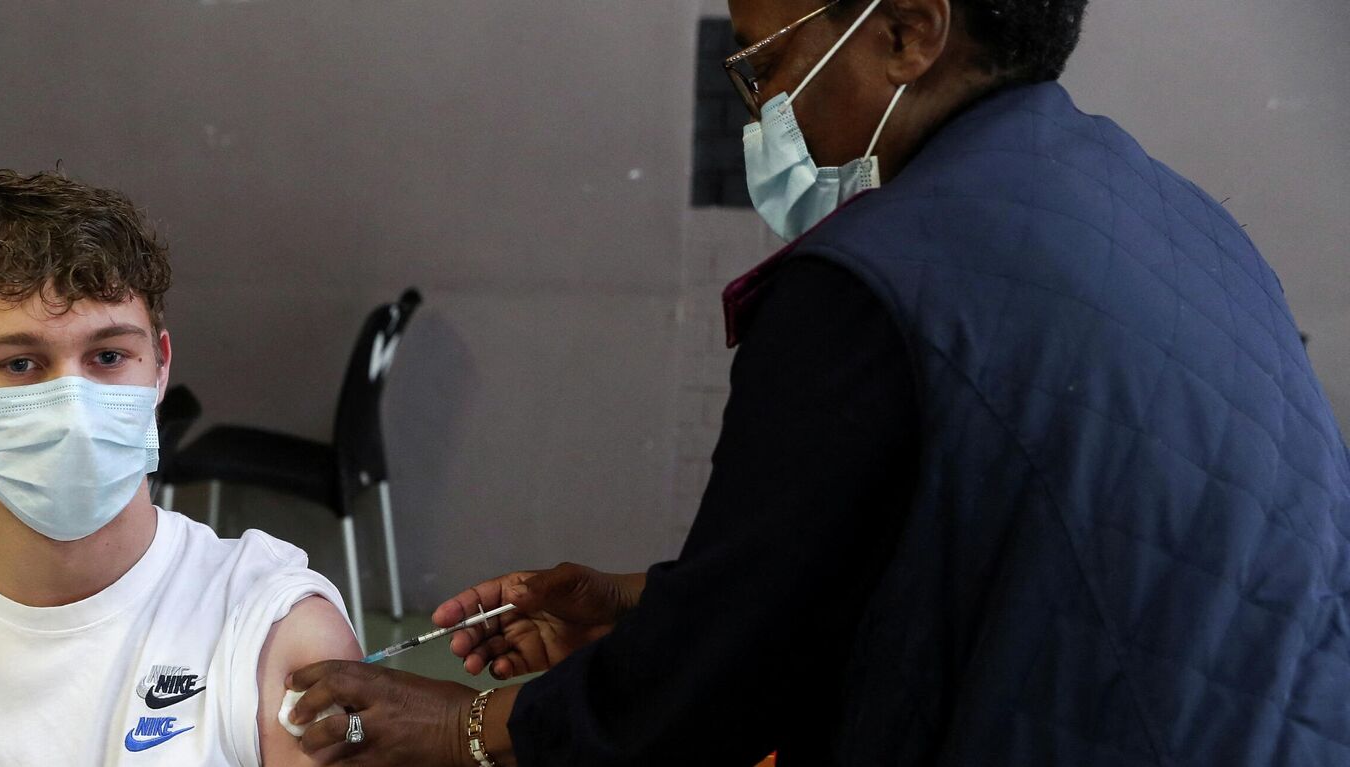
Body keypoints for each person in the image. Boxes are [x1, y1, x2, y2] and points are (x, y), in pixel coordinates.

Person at [285, 0, 1350, 764]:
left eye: (766, 64)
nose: (764, 115)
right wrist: (643, 600)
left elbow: (709, 697)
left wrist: (464, 724)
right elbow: (956, 541)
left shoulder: (875, 281)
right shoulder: (1170, 219)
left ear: (907, 32)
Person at [0, 169, 360, 765]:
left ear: (158, 369)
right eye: (21, 364)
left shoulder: (265, 625)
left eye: (108, 356)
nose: (74, 408)